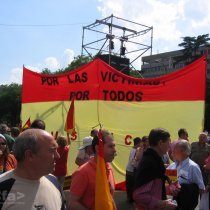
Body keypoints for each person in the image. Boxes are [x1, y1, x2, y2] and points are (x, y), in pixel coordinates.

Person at [0, 128, 65, 210]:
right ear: (30, 155)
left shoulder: (53, 181)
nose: (58, 156)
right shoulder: (2, 187)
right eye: (52, 150)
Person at [69, 129, 117, 210]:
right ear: (98, 148)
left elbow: (109, 197)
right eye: (110, 146)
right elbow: (72, 203)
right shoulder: (82, 172)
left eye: (114, 146)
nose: (115, 150)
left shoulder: (109, 168)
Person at [133, 128, 177, 210]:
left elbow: (154, 187)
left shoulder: (154, 159)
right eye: (168, 142)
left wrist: (170, 187)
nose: (170, 145)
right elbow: (138, 195)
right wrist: (161, 203)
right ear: (160, 143)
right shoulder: (150, 162)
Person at [168, 140, 205, 210]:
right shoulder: (171, 166)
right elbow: (165, 184)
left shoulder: (193, 167)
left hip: (186, 205)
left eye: (175, 149)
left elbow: (201, 188)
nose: (172, 151)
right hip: (170, 204)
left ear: (183, 151)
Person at [125, 137, 141, 202]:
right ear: (138, 143)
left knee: (129, 185)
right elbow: (133, 163)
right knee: (131, 185)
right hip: (131, 171)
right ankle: (131, 198)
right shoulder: (135, 151)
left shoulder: (133, 149)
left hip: (129, 169)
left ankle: (130, 197)